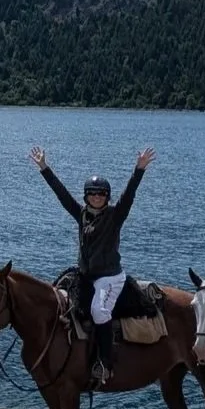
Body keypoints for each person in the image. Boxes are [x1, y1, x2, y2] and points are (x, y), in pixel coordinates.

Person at [31, 145, 155, 384]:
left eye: (101, 194)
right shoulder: (82, 215)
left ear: (107, 197)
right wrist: (44, 168)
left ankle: (105, 363)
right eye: (92, 193)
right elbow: (62, 195)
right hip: (86, 276)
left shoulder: (115, 215)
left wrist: (139, 170)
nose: (97, 197)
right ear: (86, 196)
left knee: (99, 311)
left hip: (109, 277)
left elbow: (129, 195)